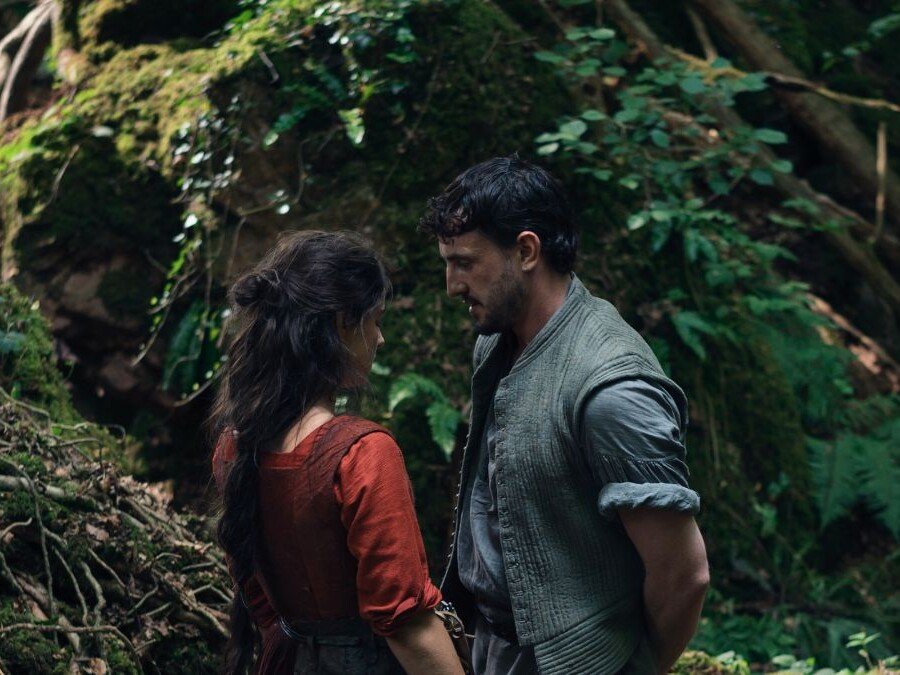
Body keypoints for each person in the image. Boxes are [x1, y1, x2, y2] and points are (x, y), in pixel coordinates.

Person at [420, 157, 710, 675]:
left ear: (526, 251)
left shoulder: (610, 391)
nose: (452, 285)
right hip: (494, 644)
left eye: (465, 262)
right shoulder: (498, 340)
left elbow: (684, 576)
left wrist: (633, 669)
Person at [211, 231, 464, 675]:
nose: (380, 339)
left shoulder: (234, 448)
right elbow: (405, 622)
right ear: (343, 323)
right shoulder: (362, 454)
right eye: (375, 321)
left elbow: (255, 592)